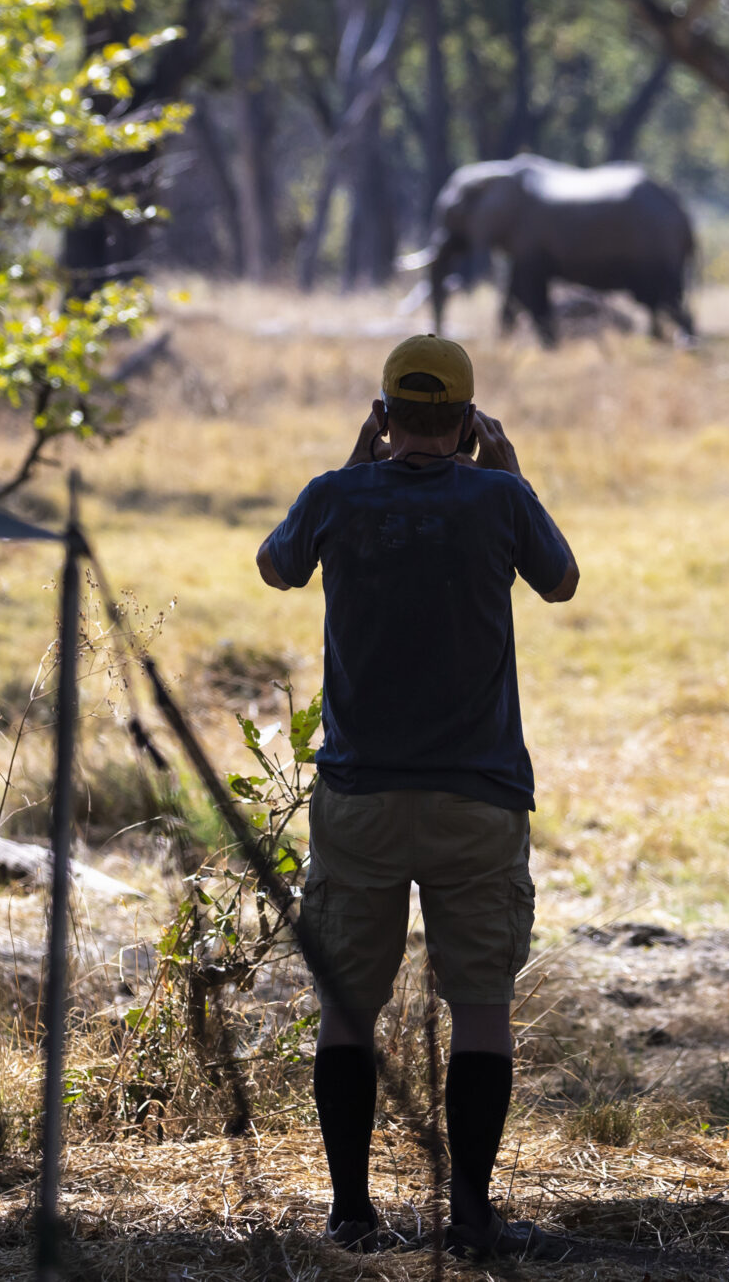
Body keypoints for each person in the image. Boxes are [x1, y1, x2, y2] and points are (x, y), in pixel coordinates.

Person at [255, 334, 579, 1258]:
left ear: (384, 411)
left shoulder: (335, 493)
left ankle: (351, 1211)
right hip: (477, 797)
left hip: (358, 796)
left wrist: (359, 461)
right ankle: (472, 1214)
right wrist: (513, 474)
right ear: (470, 422)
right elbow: (560, 583)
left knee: (348, 1006)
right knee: (479, 1006)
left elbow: (278, 567)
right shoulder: (502, 497)